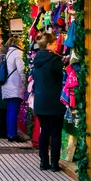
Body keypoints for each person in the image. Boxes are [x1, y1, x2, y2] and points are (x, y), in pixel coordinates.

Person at [30, 32, 66, 170]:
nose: (57, 45)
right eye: (55, 43)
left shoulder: (36, 59)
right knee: (55, 132)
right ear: (50, 44)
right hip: (54, 102)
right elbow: (61, 75)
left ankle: (43, 161)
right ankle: (54, 163)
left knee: (44, 131)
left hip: (40, 102)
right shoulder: (55, 60)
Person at [0, 35, 26, 140]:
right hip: (15, 86)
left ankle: (10, 132)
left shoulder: (8, 53)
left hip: (7, 85)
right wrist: (25, 82)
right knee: (13, 109)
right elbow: (21, 70)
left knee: (10, 109)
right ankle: (12, 134)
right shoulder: (18, 54)